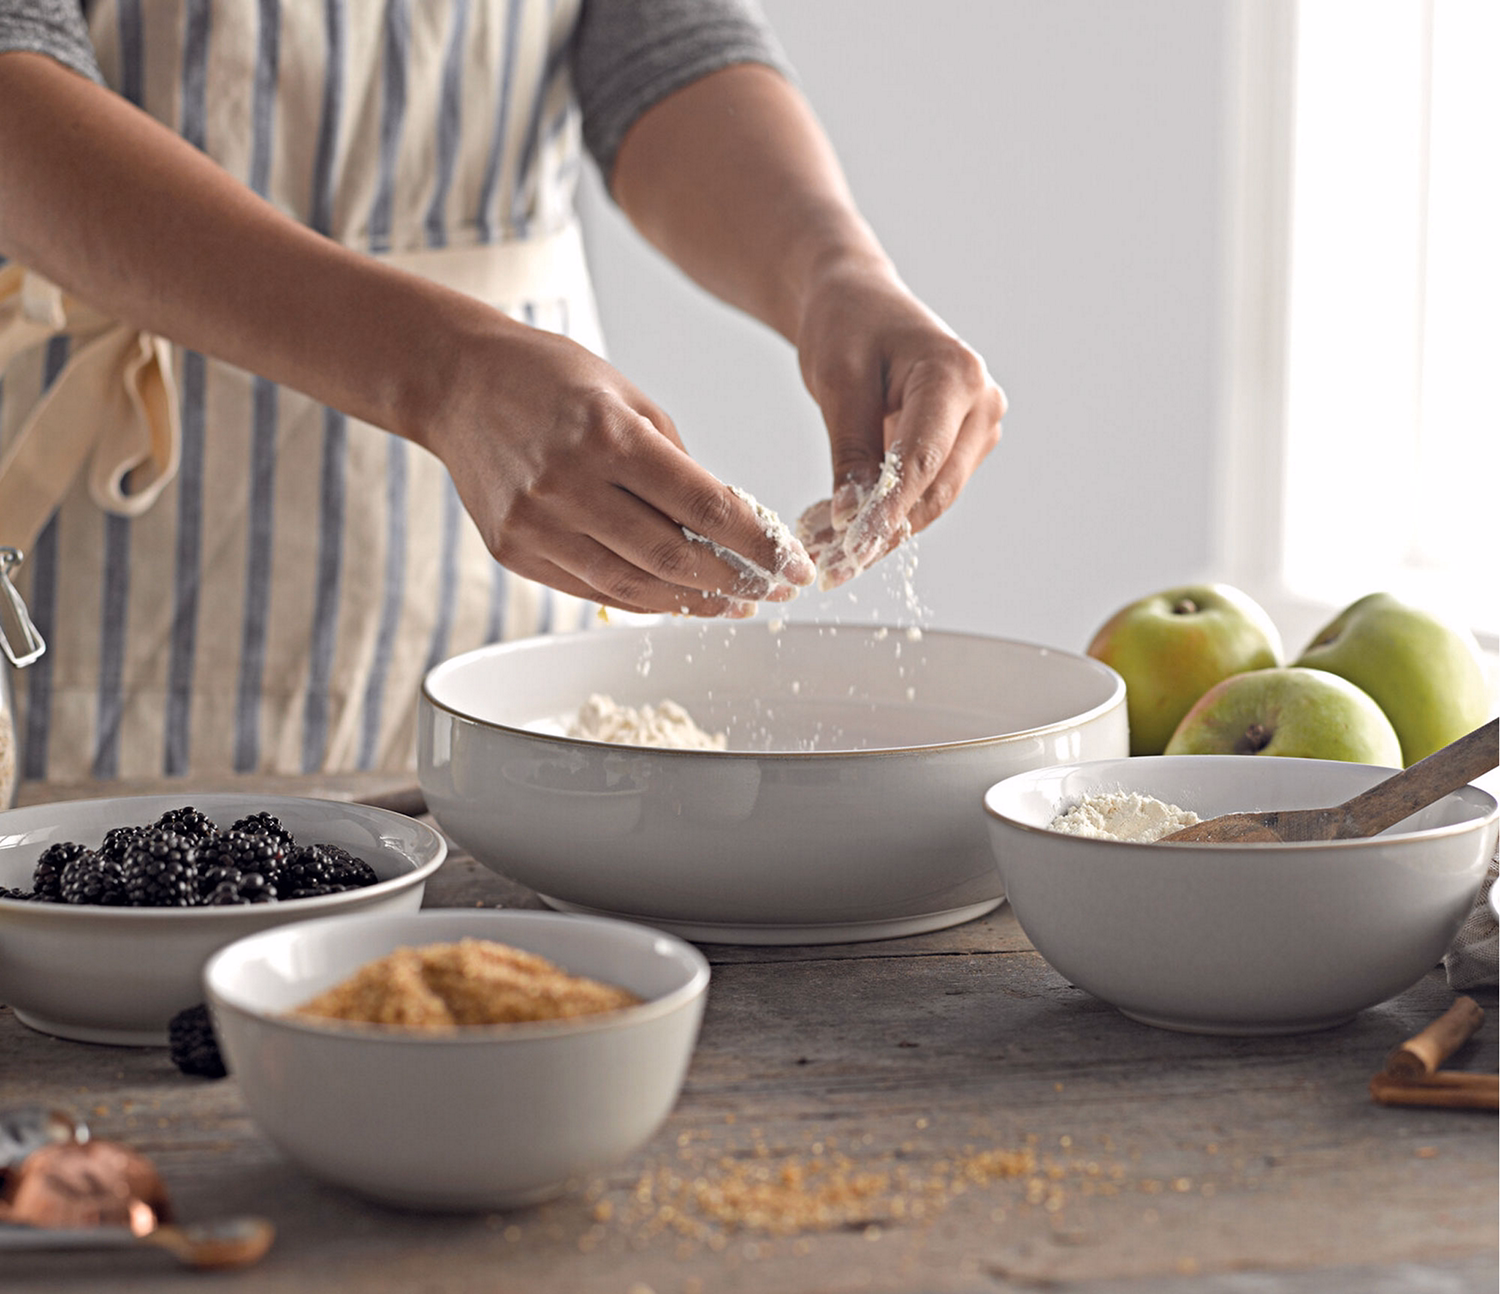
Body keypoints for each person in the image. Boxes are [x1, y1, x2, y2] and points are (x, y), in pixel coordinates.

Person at [0, 0, 1004, 786]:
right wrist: (443, 371)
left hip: (511, 535)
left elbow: (659, 47)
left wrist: (832, 272)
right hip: (122, 547)